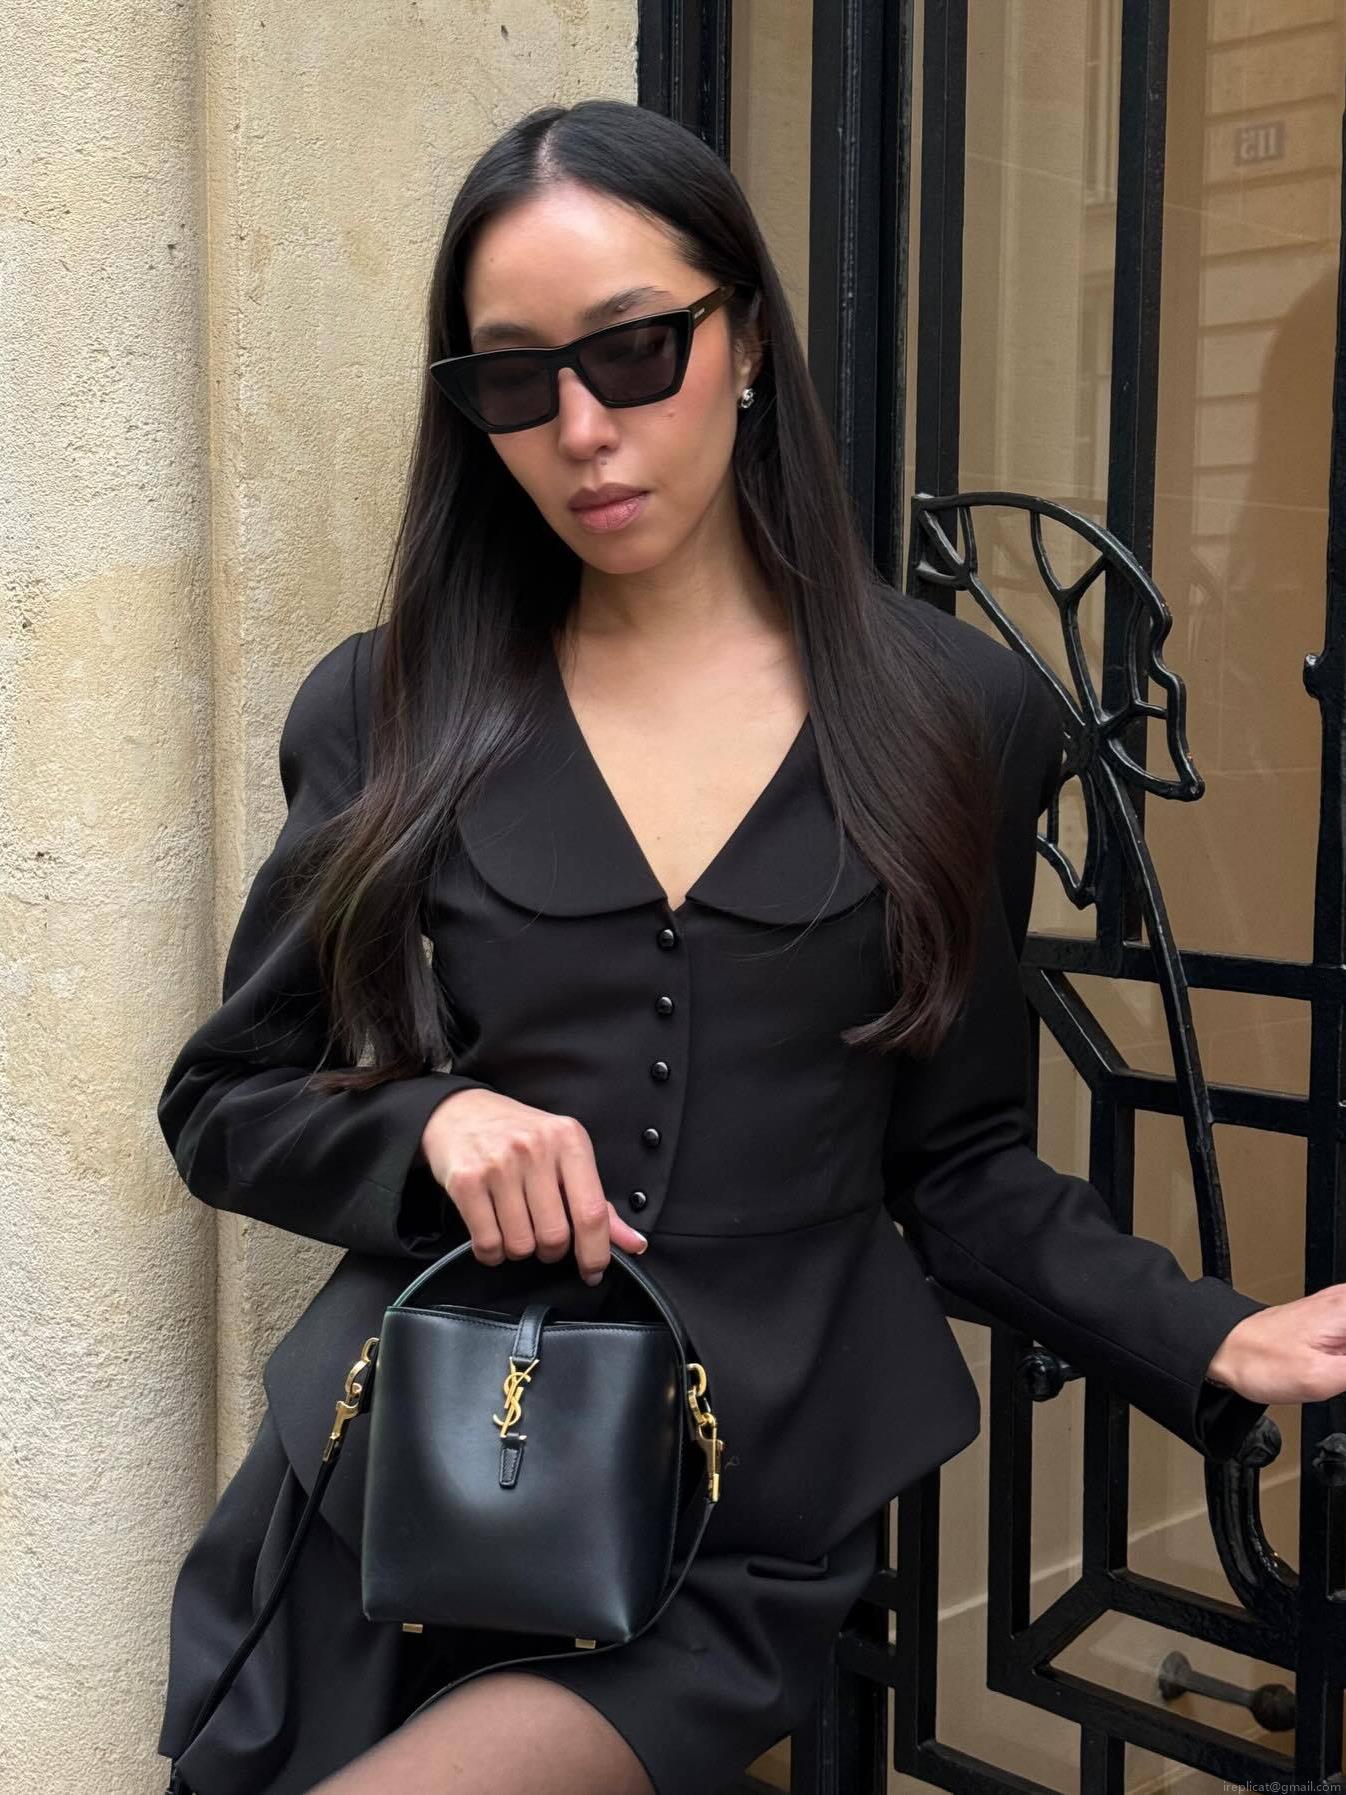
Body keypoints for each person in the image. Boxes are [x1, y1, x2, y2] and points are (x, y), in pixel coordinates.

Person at [153, 97, 1346, 1795]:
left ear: (748, 342)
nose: (581, 428)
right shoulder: (391, 702)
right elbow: (227, 1101)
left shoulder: (954, 712)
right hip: (408, 1471)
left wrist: (1206, 1336)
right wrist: (431, 1124)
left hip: (738, 1515)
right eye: (514, 382)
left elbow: (959, 1164)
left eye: (633, 350)